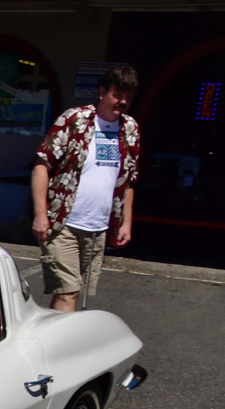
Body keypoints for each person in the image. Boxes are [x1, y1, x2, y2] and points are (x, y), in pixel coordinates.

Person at [32, 64, 141, 312]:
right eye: (117, 94)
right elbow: (42, 165)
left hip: (99, 227)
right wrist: (40, 215)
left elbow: (130, 179)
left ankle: (52, 339)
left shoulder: (130, 129)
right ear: (102, 92)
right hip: (63, 223)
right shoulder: (74, 120)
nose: (122, 101)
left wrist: (126, 222)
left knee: (73, 292)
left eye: (128, 96)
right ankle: (61, 349)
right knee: (68, 292)